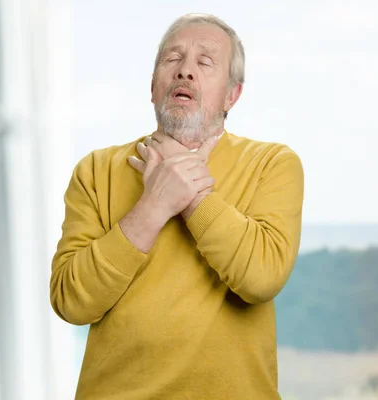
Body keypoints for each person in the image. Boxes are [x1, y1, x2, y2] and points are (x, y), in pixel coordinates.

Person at [50, 13, 304, 400]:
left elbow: (262, 277)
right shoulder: (96, 170)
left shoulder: (272, 164)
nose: (185, 71)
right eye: (172, 59)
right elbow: (71, 300)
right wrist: (153, 205)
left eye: (205, 62)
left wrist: (191, 194)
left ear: (231, 95)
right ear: (153, 86)